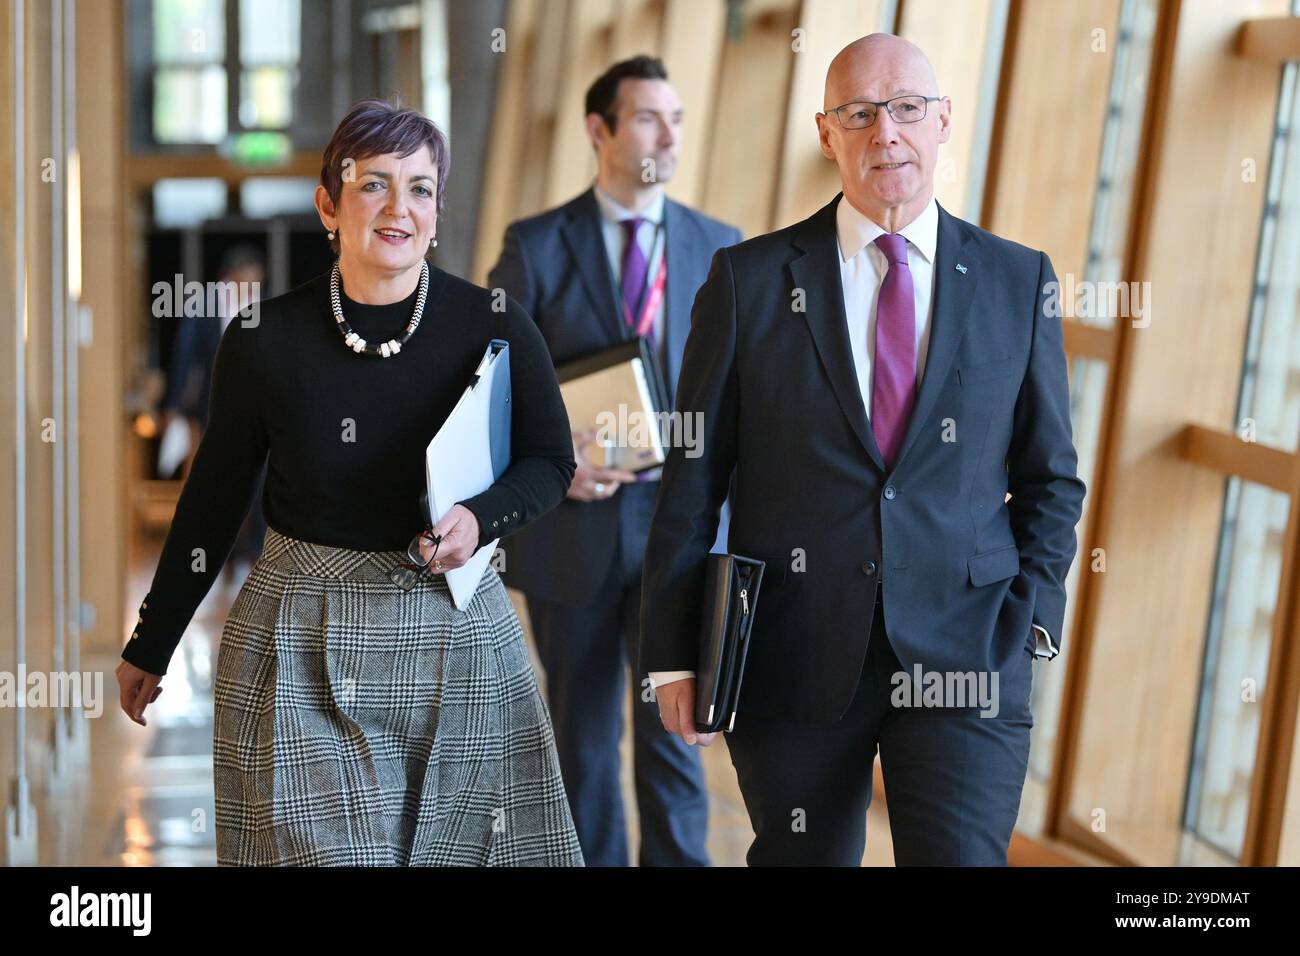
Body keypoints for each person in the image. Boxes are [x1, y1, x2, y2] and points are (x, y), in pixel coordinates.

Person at [639, 34, 1086, 866]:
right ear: (825, 132)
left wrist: (1033, 619)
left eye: (907, 108)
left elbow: (1051, 477)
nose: (887, 132)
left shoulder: (1018, 281)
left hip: (969, 649)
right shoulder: (747, 282)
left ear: (943, 120)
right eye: (860, 113)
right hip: (794, 650)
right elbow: (694, 476)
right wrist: (672, 652)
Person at [116, 96, 584, 867]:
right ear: (329, 205)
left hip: (455, 632)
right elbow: (213, 501)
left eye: (422, 187)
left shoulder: (495, 323)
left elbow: (550, 460)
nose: (400, 207)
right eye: (374, 184)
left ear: (438, 209)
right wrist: (154, 639)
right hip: (300, 636)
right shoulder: (263, 340)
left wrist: (480, 519)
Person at [489, 55, 741, 866]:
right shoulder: (534, 246)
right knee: (583, 747)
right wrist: (555, 465)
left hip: (683, 534)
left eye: (676, 118)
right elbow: (494, 389)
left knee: (678, 739)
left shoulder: (720, 248)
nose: (668, 134)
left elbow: (748, 400)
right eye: (646, 118)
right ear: (599, 130)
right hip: (575, 527)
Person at [158, 244, 267, 578]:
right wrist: (174, 405)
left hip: (261, 409)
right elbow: (186, 357)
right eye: (244, 280)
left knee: (261, 483)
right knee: (221, 482)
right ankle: (225, 553)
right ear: (229, 277)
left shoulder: (268, 306)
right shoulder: (205, 306)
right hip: (215, 408)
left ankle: (255, 552)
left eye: (255, 280)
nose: (250, 285)